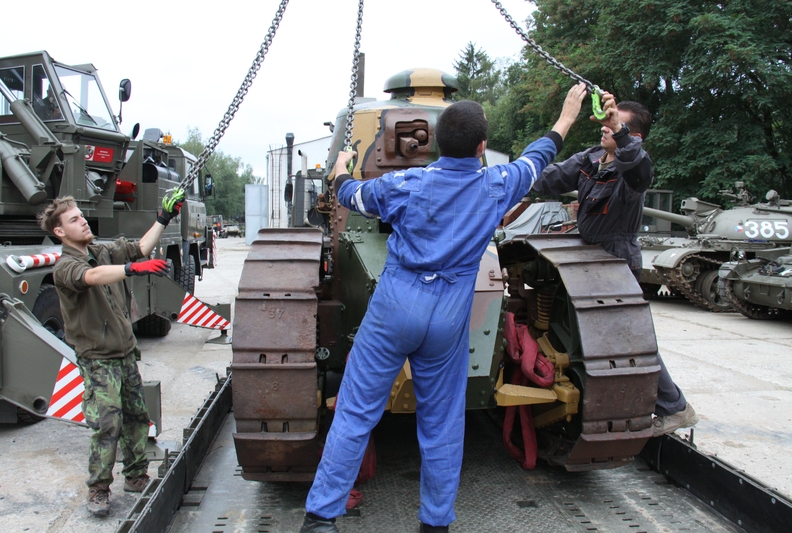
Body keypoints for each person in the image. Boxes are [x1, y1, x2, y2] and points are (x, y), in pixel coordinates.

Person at [298, 84, 588, 533]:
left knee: (356, 412)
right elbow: (539, 156)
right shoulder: (498, 184)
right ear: (482, 147)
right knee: (442, 425)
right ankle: (435, 524)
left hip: (396, 306)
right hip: (450, 315)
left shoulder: (404, 183)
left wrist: (340, 170)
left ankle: (321, 518)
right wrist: (567, 114)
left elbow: (350, 194)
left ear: (433, 143)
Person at [529, 90, 699, 437]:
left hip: (616, 259)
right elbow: (548, 178)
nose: (603, 128)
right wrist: (510, 178)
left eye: (613, 124)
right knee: (602, 339)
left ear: (630, 134)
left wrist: (619, 132)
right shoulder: (591, 158)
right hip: (588, 256)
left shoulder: (633, 165)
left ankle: (675, 407)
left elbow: (638, 170)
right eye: (607, 123)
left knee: (626, 341)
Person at [38, 191, 184, 517]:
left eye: (81, 215)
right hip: (98, 358)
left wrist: (164, 217)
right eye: (74, 219)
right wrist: (131, 268)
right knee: (107, 424)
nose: (83, 220)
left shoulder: (101, 250)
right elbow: (91, 277)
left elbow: (141, 249)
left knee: (135, 416)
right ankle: (99, 489)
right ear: (60, 231)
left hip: (125, 352)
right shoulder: (66, 266)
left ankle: (135, 476)